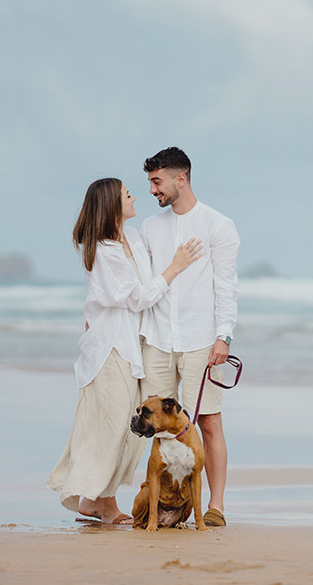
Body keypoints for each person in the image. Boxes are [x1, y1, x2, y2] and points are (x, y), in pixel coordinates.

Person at [47, 177, 202, 524]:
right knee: (115, 425)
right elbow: (137, 296)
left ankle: (96, 501)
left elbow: (146, 285)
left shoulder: (131, 238)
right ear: (113, 205)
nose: (135, 197)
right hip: (109, 348)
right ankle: (101, 502)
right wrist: (175, 267)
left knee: (126, 428)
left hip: (132, 344)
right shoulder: (104, 250)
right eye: (127, 194)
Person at [139, 147, 240, 528]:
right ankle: (161, 505)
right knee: (154, 426)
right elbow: (148, 284)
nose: (152, 190)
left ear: (180, 178)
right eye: (151, 182)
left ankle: (216, 506)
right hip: (158, 338)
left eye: (156, 181)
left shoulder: (218, 225)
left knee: (209, 422)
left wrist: (223, 336)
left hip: (202, 339)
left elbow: (226, 286)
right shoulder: (150, 227)